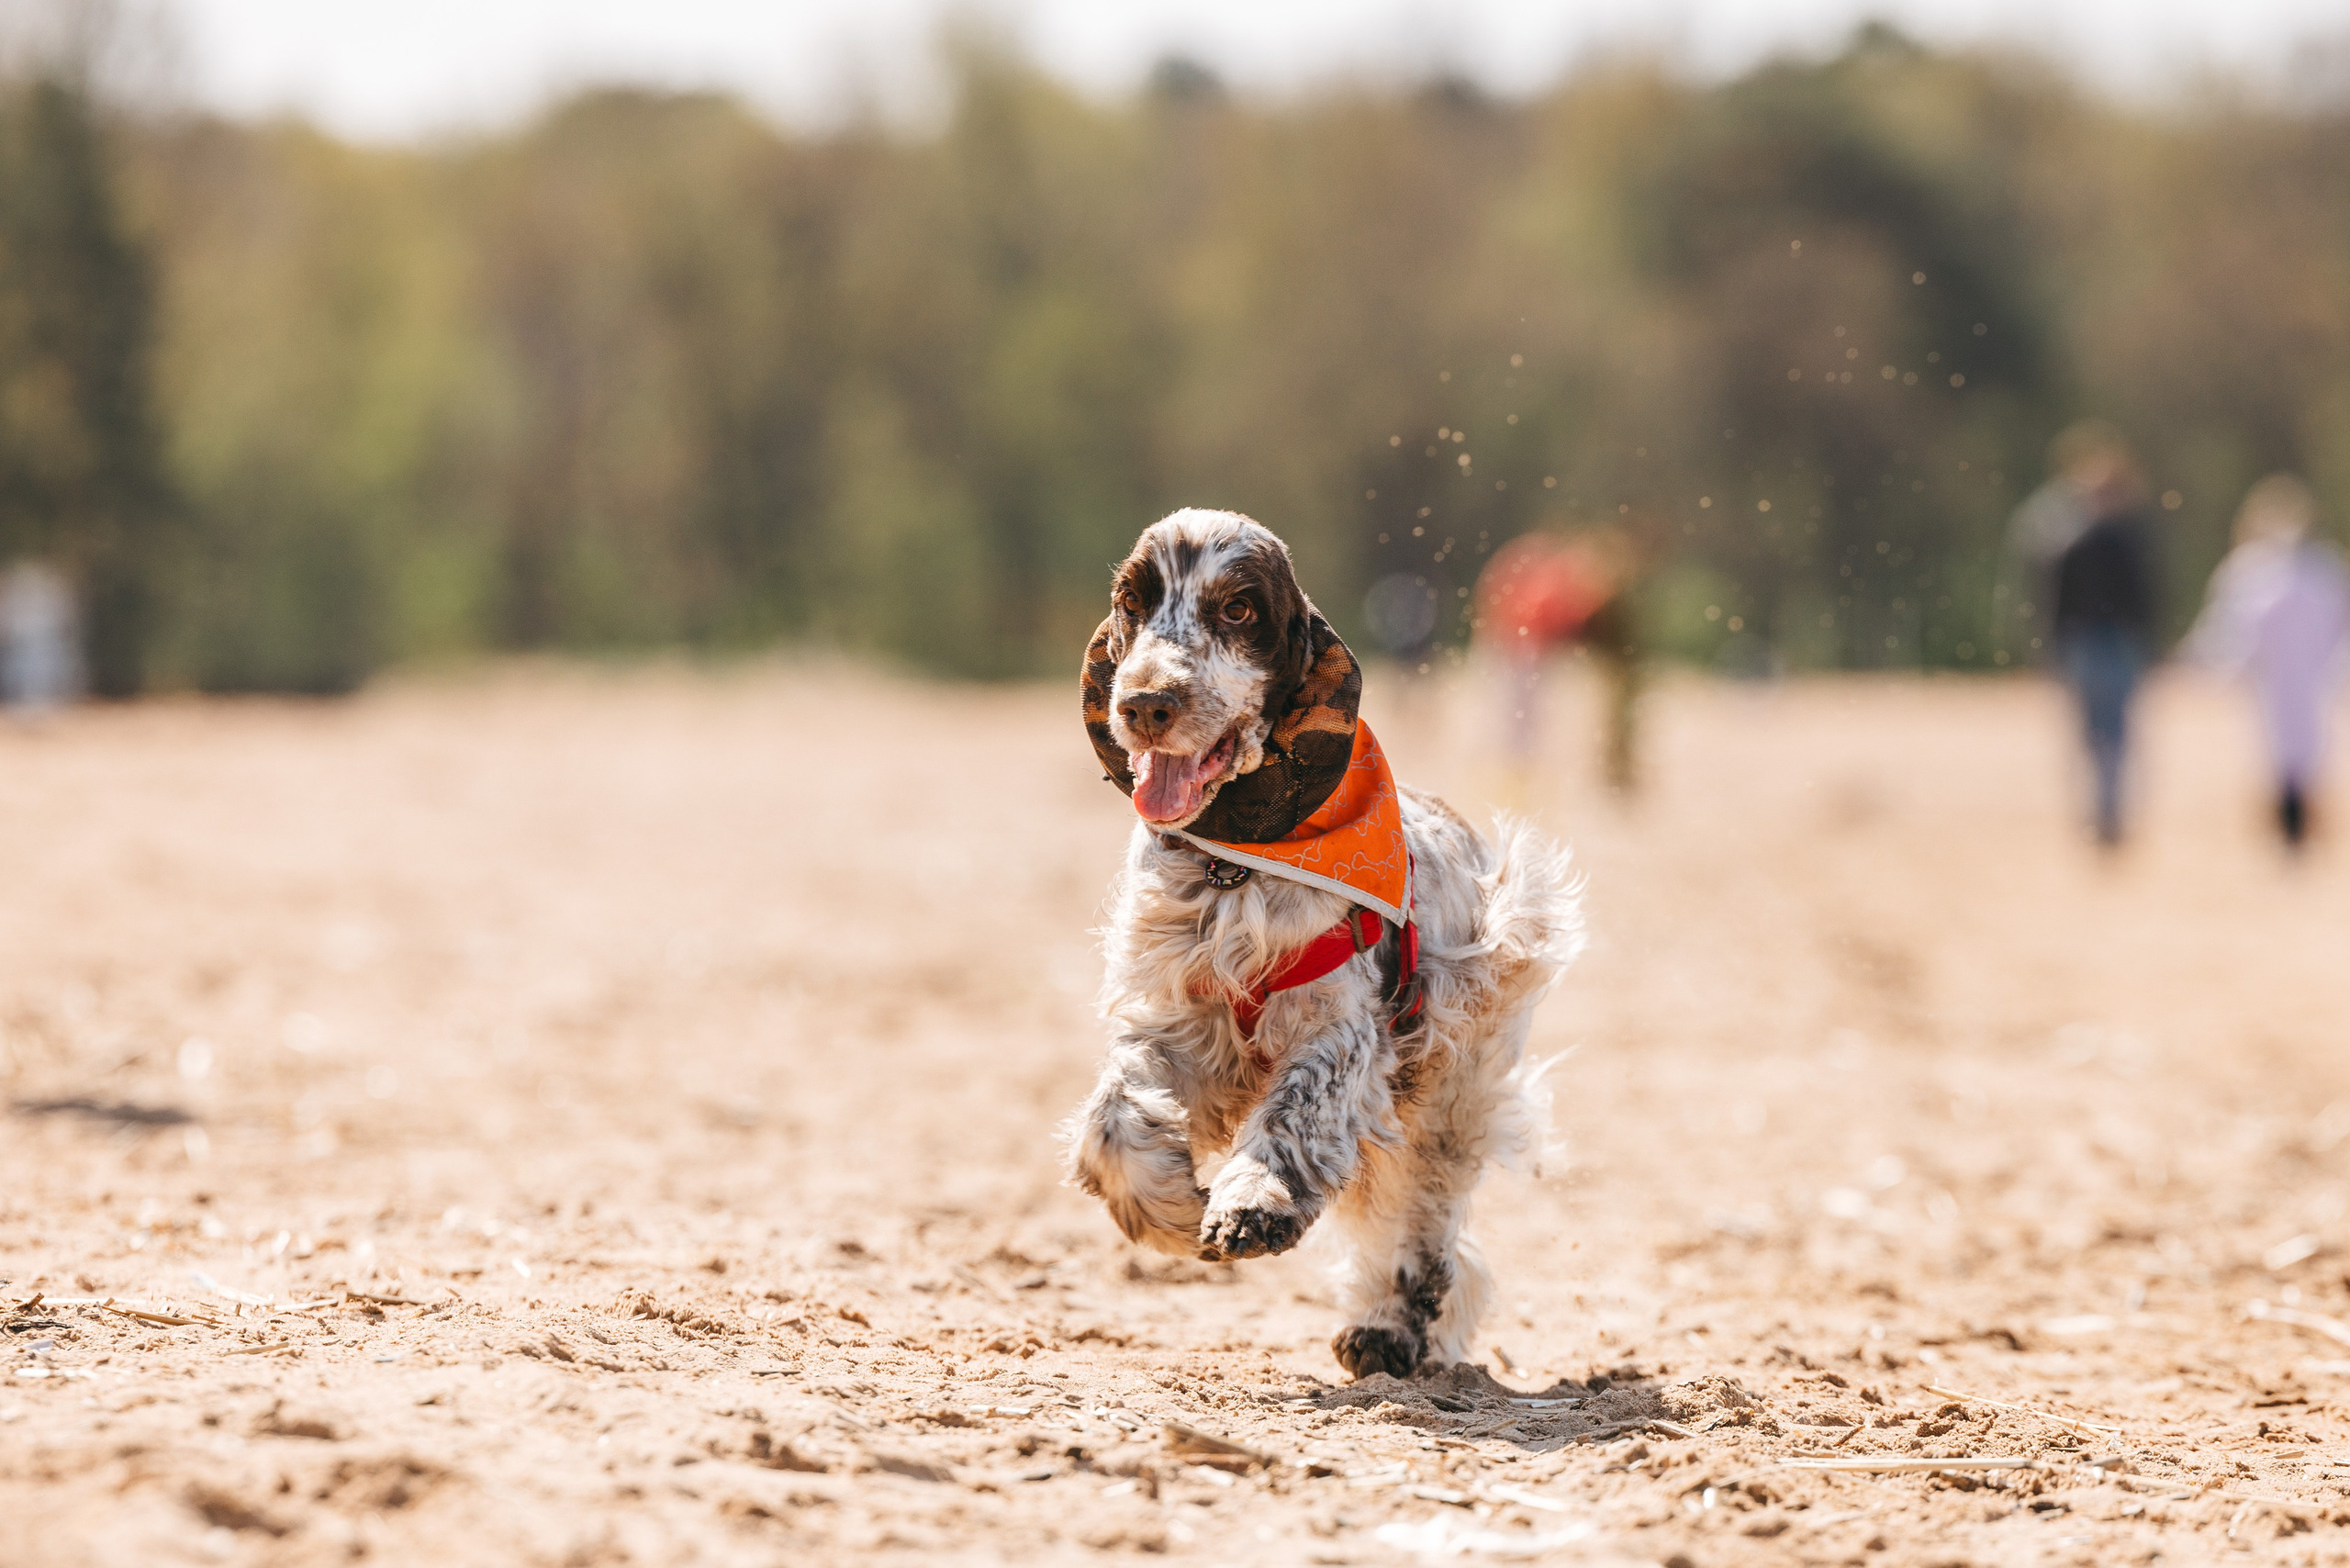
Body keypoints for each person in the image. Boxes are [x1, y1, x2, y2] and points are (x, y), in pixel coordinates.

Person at [2183, 476, 2350, 850]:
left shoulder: (2321, 566)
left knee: (2310, 751)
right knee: (2269, 752)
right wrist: (2216, 661)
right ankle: (2281, 828)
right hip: (2266, 678)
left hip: (2311, 675)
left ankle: (2304, 827)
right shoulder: (2247, 569)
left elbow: (2340, 621)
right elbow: (2228, 625)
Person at [2028, 431, 2159, 846]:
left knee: (2097, 734)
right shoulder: (2124, 540)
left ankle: (2102, 810)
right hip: (2106, 645)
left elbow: (2055, 602)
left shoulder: (2072, 541)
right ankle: (2105, 809)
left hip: (2094, 645)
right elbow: (2145, 598)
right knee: (2106, 734)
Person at [1474, 525, 1640, 793]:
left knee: (1519, 719)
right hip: (1523, 649)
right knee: (1520, 719)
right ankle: (1511, 780)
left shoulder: (1540, 568)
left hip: (1517, 646)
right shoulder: (1554, 576)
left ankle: (1513, 777)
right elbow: (1549, 616)